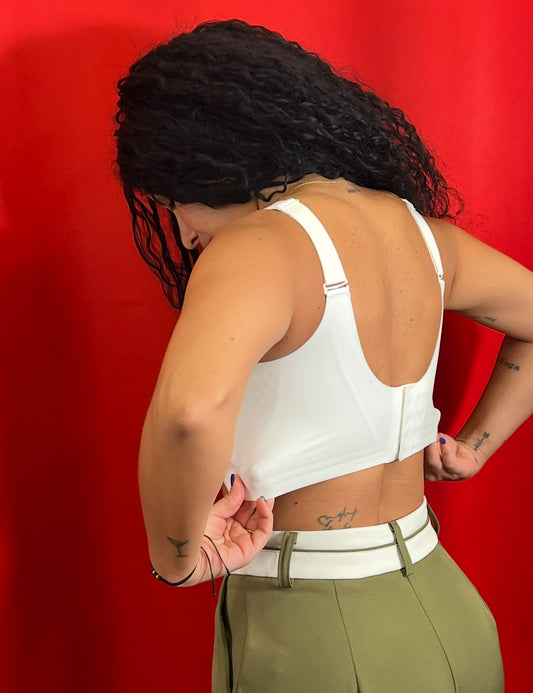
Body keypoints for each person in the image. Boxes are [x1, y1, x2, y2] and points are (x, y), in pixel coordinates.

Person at [115, 19, 533, 693]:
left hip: (316, 632)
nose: (185, 234)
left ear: (204, 161)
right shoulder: (421, 233)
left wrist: (178, 560)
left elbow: (189, 414)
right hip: (447, 606)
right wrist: (475, 447)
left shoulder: (256, 246)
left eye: (174, 204)